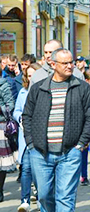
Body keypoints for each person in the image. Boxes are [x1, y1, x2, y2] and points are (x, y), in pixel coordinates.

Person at [22, 48, 90, 211]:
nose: (70, 66)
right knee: (44, 196)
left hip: (70, 153)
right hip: (40, 152)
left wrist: (80, 144)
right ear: (53, 64)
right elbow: (27, 116)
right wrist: (30, 143)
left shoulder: (82, 88)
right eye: (65, 63)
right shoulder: (39, 88)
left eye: (71, 62)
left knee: (65, 198)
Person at [14, 63, 42, 211]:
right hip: (25, 136)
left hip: (40, 136)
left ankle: (40, 197)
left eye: (34, 75)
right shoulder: (23, 92)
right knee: (25, 168)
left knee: (39, 170)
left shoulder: (44, 91)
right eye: (29, 76)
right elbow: (16, 110)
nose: (31, 79)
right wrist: (20, 118)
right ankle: (24, 200)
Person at [0, 66, 16, 203]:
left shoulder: (3, 84)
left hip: (0, 126)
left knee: (1, 162)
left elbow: (10, 104)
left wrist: (1, 109)